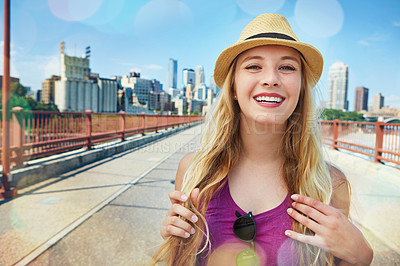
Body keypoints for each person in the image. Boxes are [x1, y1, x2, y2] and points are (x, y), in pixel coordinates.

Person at [151, 13, 373, 266]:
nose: (271, 79)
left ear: (300, 88)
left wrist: (361, 258)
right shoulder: (194, 170)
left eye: (287, 67)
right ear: (233, 87)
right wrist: (176, 241)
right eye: (254, 66)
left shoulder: (330, 184)